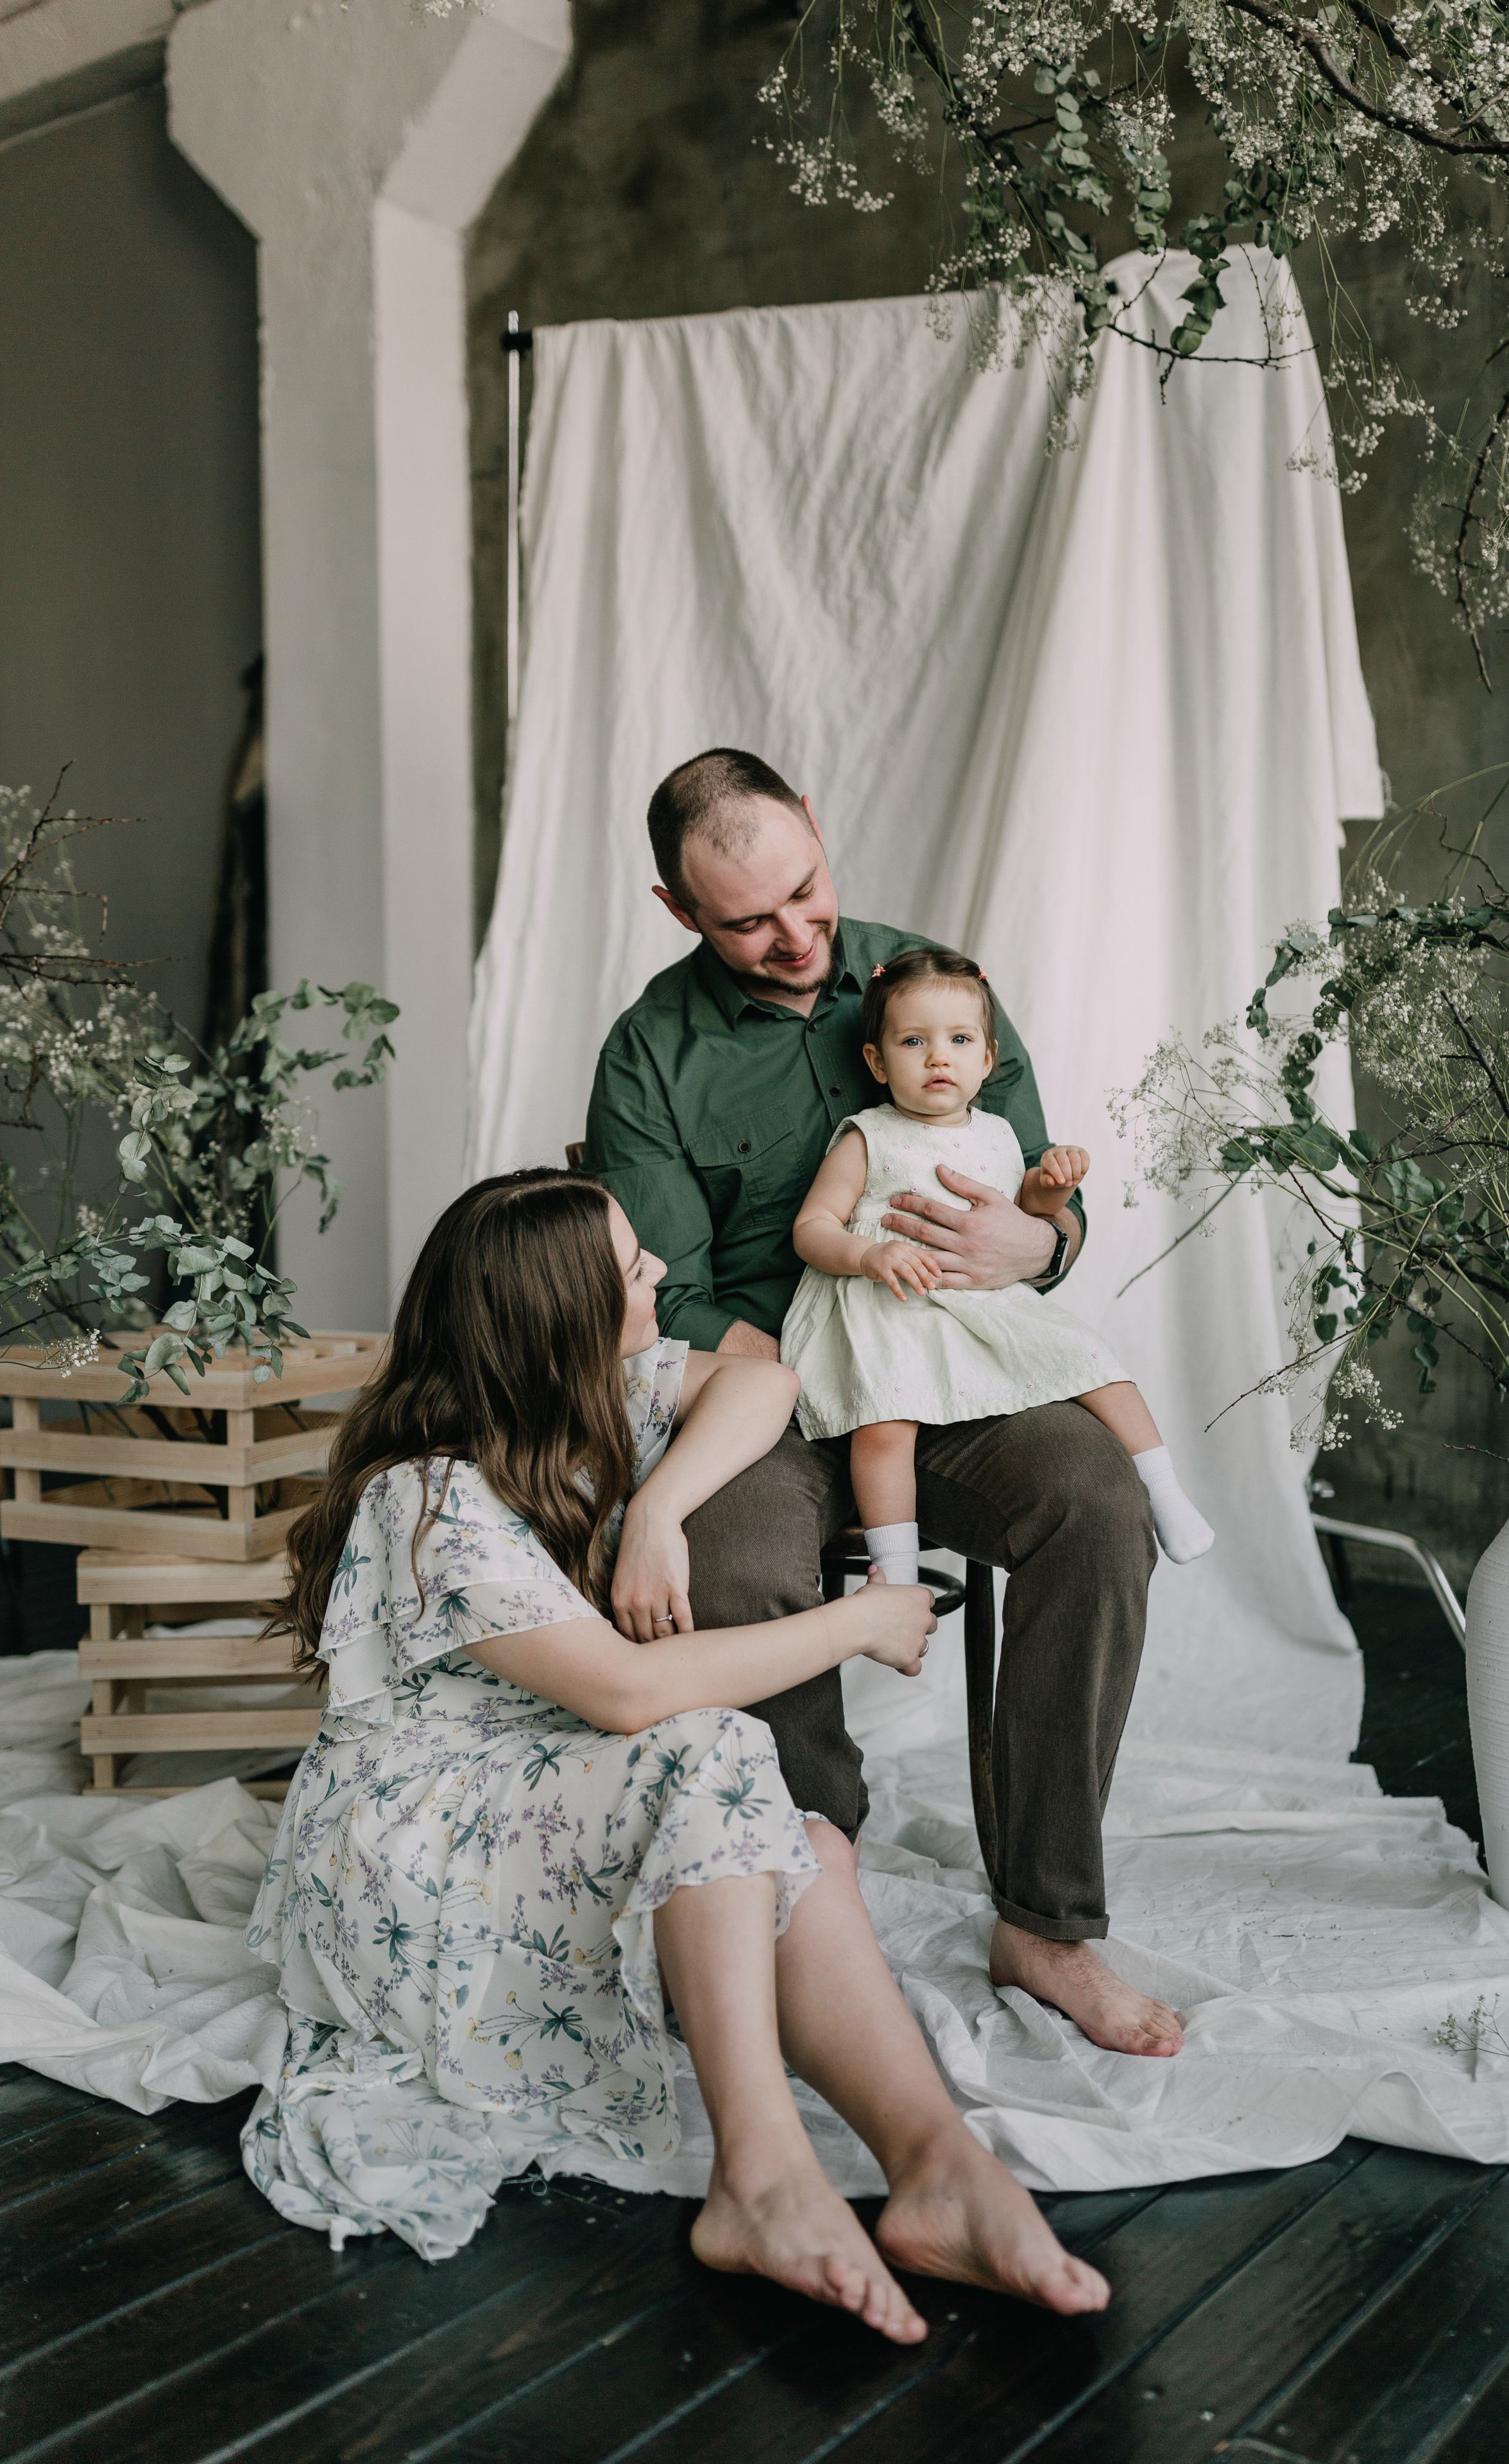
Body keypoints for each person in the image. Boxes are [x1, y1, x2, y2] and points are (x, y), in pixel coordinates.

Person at [247, 1168, 1110, 2338]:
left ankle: (940, 2167)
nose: (658, 1273)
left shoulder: (606, 1395)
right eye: (630, 1268)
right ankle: (758, 2180)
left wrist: (660, 1511)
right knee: (707, 1745)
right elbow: (628, 1692)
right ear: (560, 1324)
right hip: (418, 1837)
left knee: (810, 1849)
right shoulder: (431, 1497)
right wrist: (857, 1621)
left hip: (545, 1786)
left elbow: (766, 1379)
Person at [583, 748, 1186, 2059]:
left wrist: (1043, 1245)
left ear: (813, 828)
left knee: (1093, 1501)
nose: (796, 937)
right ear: (679, 911)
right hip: (771, 1390)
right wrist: (791, 1376)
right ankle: (807, 1892)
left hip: (953, 1364)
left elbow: (1033, 1190)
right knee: (729, 1562)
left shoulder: (934, 980)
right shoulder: (648, 1053)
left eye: (805, 891)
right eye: (747, 921)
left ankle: (1044, 1920)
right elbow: (667, 1291)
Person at [781, 945, 1215, 1577]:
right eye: (912, 1042)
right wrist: (868, 1253)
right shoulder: (865, 1136)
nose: (937, 1057)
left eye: (958, 1039)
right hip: (893, 1308)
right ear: (875, 1061)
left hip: (981, 1302)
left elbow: (1026, 1207)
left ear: (986, 1059)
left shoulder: (998, 1134)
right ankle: (895, 1569)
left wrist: (1054, 1186)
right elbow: (811, 1228)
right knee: (884, 1424)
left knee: (1094, 1364)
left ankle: (1166, 1492)